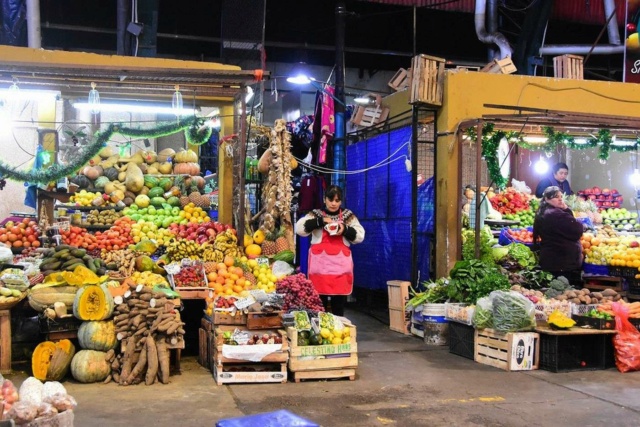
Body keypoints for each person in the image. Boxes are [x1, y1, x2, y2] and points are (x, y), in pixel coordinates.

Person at [295, 185, 365, 316]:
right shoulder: (315, 214)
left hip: (340, 270)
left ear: (341, 201)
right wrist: (320, 221)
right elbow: (300, 229)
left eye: (337, 201)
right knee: (318, 306)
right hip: (319, 269)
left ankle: (338, 331)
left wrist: (344, 229)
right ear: (324, 199)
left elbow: (360, 236)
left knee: (338, 307)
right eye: (330, 199)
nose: (333, 203)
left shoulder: (348, 216)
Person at [532, 186, 584, 288]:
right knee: (563, 293)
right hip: (561, 263)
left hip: (552, 260)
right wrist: (567, 210)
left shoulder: (544, 211)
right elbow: (577, 230)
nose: (560, 199)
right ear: (547, 199)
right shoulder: (556, 214)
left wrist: (565, 209)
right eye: (556, 197)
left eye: (561, 196)